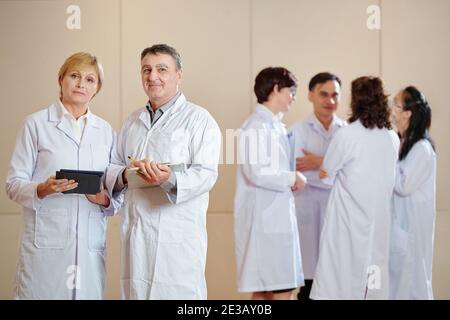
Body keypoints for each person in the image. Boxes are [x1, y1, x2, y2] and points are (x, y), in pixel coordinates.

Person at [104, 44, 221, 300]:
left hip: (176, 236)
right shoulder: (132, 122)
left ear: (178, 75)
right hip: (136, 234)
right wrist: (125, 175)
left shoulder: (199, 120)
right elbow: (112, 167)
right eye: (146, 69)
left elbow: (207, 173)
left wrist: (168, 178)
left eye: (162, 69)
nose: (152, 76)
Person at [5, 52, 120, 299]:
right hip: (45, 250)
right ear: (61, 79)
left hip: (89, 251)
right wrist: (42, 189)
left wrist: (103, 199)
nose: (81, 84)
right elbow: (13, 185)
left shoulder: (106, 132)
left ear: (97, 88)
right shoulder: (35, 125)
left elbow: (115, 195)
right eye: (74, 76)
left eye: (90, 79)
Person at [310, 76, 400, 300]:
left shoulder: (346, 135)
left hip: (347, 224)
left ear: (355, 101)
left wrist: (327, 171)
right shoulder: (391, 137)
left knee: (341, 282)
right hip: (378, 224)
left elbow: (325, 174)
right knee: (373, 282)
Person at [233, 67, 306, 300]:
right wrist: (292, 177)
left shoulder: (273, 126)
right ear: (275, 89)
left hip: (272, 220)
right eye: (291, 91)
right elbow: (257, 172)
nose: (293, 97)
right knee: (281, 289)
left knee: (265, 290)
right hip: (267, 223)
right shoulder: (256, 126)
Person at [289, 72, 346, 300]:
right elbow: (295, 172)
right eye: (324, 94)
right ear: (311, 95)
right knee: (309, 283)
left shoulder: (347, 132)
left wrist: (319, 162)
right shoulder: (296, 131)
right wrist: (332, 167)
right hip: (307, 212)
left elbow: (352, 173)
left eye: (335, 95)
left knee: (337, 279)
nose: (330, 101)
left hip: (338, 212)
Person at [389, 86, 436, 299]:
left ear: (408, 113)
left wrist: (389, 156)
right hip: (397, 232)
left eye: (396, 105)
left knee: (411, 286)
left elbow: (403, 185)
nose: (392, 110)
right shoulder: (403, 142)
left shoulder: (421, 149)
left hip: (410, 232)